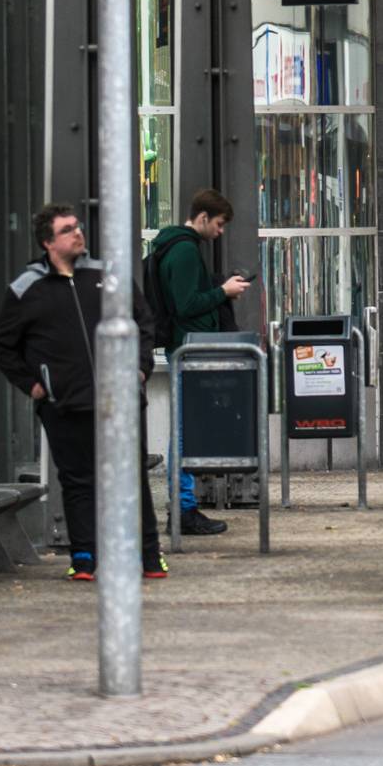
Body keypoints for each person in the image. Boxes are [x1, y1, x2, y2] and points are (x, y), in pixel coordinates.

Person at [0, 203, 165, 581]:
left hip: (120, 399)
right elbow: (3, 346)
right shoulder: (27, 289)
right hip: (64, 404)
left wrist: (140, 368)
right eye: (68, 230)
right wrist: (33, 385)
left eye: (78, 227)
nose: (78, 234)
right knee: (78, 481)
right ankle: (84, 558)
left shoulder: (107, 276)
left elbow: (143, 320)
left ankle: (150, 557)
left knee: (132, 477)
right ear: (48, 242)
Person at [147, 189, 255, 535]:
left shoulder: (176, 247)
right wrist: (223, 292)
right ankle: (183, 508)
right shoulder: (184, 251)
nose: (221, 232)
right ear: (203, 217)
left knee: (186, 428)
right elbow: (187, 303)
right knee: (184, 431)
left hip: (186, 348)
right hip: (188, 350)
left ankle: (185, 506)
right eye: (220, 224)